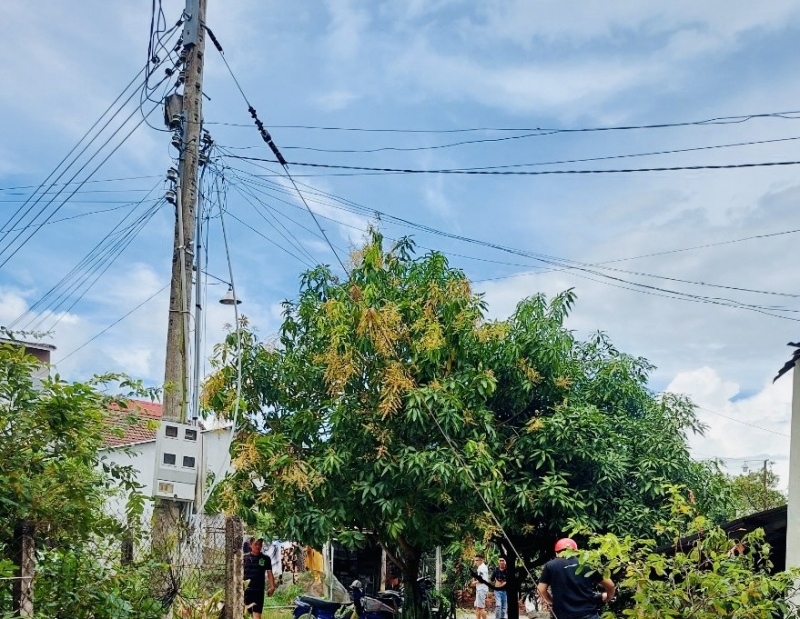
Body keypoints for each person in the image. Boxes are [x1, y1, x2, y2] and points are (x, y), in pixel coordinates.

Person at [537, 538, 615, 619]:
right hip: (588, 614)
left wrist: (552, 602)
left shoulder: (550, 566)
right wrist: (608, 597)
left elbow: (541, 590)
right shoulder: (588, 564)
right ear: (576, 551)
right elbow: (610, 585)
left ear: (556, 553)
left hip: (562, 615)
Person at [244, 538, 276, 619]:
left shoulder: (265, 558)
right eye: (256, 544)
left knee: (257, 616)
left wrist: (272, 587)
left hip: (258, 591)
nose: (258, 546)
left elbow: (269, 573)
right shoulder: (244, 558)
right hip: (246, 591)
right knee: (245, 614)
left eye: (260, 544)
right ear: (250, 545)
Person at [471, 553, 489, 619]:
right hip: (480, 589)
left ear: (481, 560)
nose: (475, 562)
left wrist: (474, 582)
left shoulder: (482, 568)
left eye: (477, 560)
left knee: (481, 608)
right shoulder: (480, 567)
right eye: (475, 560)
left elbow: (482, 580)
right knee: (477, 608)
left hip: (482, 589)